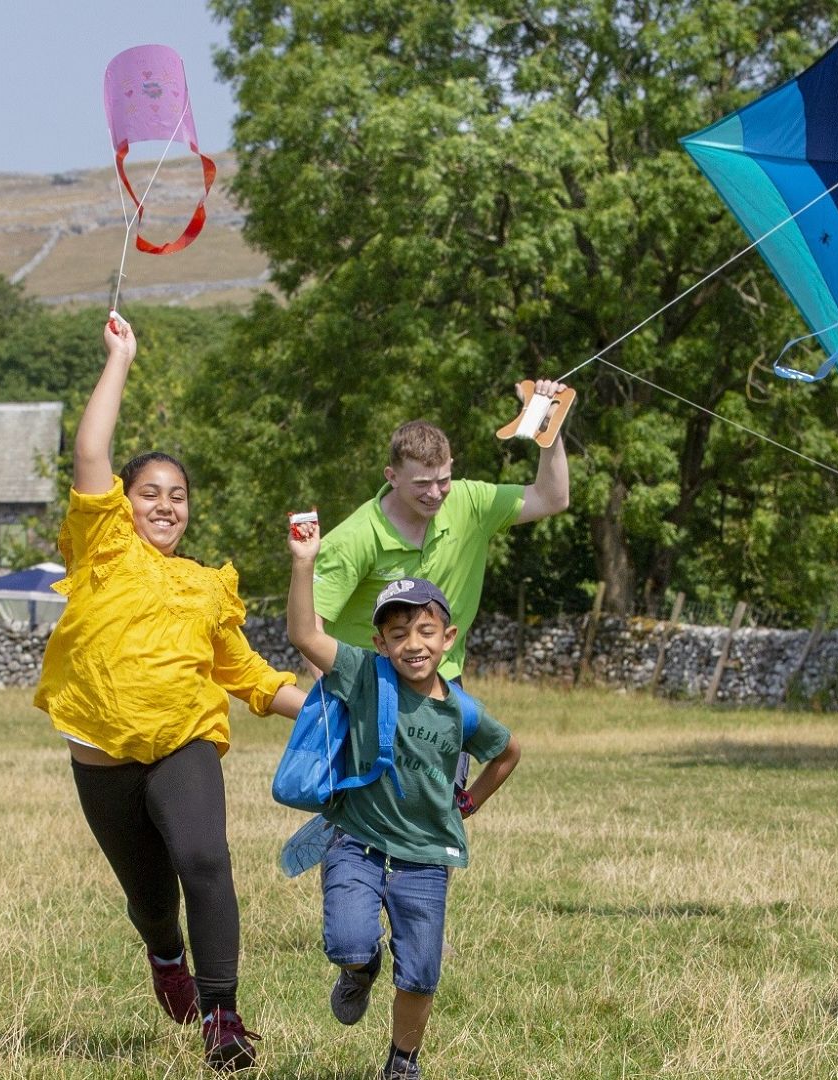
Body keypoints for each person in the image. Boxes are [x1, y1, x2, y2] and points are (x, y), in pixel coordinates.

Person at [34, 313, 305, 1072]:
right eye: (149, 492)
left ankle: (223, 1014)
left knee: (204, 860)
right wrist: (120, 359)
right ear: (124, 503)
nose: (164, 504)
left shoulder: (205, 587)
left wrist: (326, 710)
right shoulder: (103, 547)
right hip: (101, 760)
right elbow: (91, 451)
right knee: (153, 900)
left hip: (182, 742)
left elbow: (248, 675)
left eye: (177, 496)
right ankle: (164, 954)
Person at [287, 520, 522, 1080]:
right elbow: (304, 635)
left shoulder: (463, 711)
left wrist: (470, 804)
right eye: (397, 634)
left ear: (448, 637)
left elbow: (507, 752)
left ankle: (402, 1061)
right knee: (347, 940)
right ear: (380, 643)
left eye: (424, 630)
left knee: (419, 973)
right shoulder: (366, 676)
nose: (412, 644)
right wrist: (304, 563)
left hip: (427, 857)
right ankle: (359, 969)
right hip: (357, 843)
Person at [312, 395, 571, 687]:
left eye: (443, 480)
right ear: (392, 476)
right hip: (368, 685)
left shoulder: (471, 503)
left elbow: (552, 498)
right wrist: (333, 697)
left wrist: (548, 430)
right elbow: (310, 627)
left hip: (441, 679)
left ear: (451, 466)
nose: (435, 493)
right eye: (422, 483)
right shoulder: (353, 539)